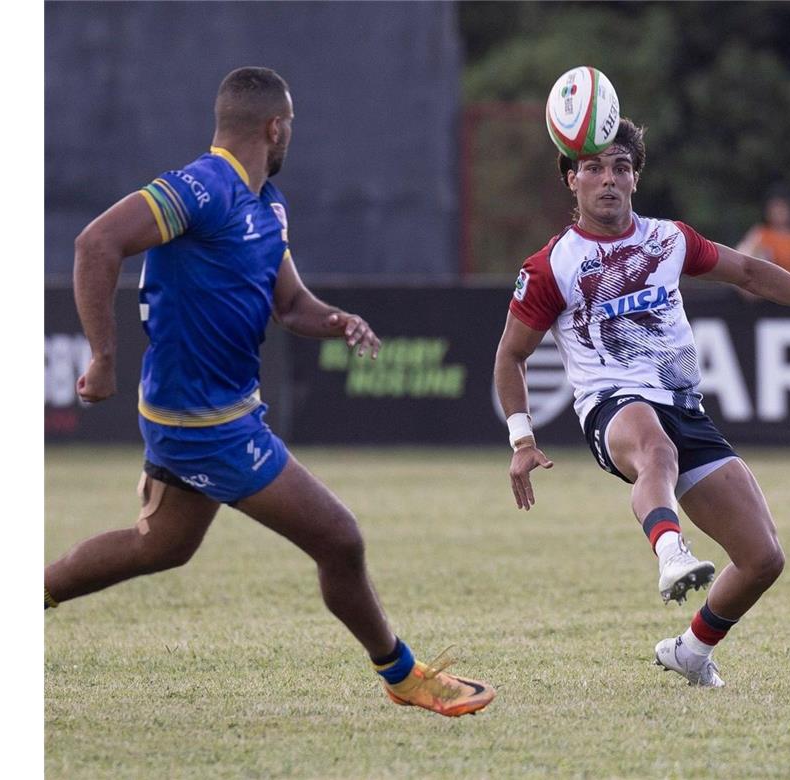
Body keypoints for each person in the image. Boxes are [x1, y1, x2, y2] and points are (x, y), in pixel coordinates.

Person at [44, 66, 493, 717]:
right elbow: (96, 243)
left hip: (207, 413)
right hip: (209, 426)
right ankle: (403, 675)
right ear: (275, 126)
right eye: (292, 129)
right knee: (339, 538)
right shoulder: (202, 187)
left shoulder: (268, 204)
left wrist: (335, 321)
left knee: (161, 546)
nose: (292, 139)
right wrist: (103, 355)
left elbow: (290, 304)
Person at [493, 118, 790, 687]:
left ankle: (692, 650)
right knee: (655, 451)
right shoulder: (552, 265)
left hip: (683, 407)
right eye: (594, 168)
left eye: (621, 168)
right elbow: (510, 357)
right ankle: (671, 552)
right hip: (612, 405)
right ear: (572, 180)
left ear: (636, 179)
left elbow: (747, 271)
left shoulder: (668, 239)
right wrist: (522, 439)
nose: (608, 180)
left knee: (763, 558)